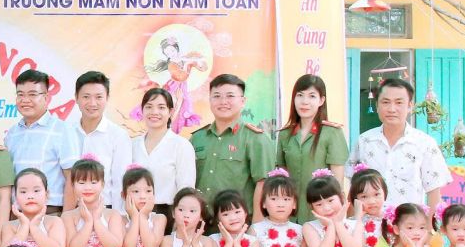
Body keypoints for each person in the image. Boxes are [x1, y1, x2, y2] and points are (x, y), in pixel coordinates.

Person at [347, 77, 450, 209]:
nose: (392, 109)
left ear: (410, 106)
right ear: (377, 106)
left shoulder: (425, 144)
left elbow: (434, 193)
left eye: (399, 102)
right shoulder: (364, 141)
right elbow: (353, 191)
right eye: (385, 102)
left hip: (409, 221)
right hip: (370, 222)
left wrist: (430, 222)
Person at [190, 74, 273, 216]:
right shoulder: (197, 138)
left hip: (238, 224)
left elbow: (263, 184)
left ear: (243, 101)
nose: (223, 102)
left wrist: (257, 224)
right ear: (209, 100)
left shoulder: (256, 139)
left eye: (230, 96)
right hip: (199, 222)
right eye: (217, 96)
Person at [277, 74, 349, 221]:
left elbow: (337, 182)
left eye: (312, 96)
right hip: (289, 215)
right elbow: (281, 177)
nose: (305, 102)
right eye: (300, 95)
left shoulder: (332, 132)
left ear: (321, 100)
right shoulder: (285, 134)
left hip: (321, 215)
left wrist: (337, 217)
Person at [4, 68, 77, 213]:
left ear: (46, 98)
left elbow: (72, 177)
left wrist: (67, 217)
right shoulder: (12, 133)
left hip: (51, 212)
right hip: (17, 214)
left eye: (32, 94)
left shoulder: (62, 130)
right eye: (20, 94)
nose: (25, 100)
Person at [59, 158, 125, 247]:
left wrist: (96, 220)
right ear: (73, 185)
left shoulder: (112, 215)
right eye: (82, 182)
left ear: (103, 184)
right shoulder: (68, 217)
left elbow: (114, 245)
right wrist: (88, 223)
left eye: (94, 182)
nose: (88, 187)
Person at [128, 87, 195, 229]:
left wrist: (180, 222)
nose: (154, 112)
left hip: (168, 216)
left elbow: (186, 187)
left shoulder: (181, 145)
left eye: (161, 107)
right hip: (134, 215)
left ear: (170, 112)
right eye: (149, 107)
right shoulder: (132, 145)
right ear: (142, 110)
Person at [66, 71, 131, 211]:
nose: (92, 103)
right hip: (72, 210)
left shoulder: (118, 136)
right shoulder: (66, 132)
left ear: (107, 98)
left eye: (99, 97)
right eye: (86, 97)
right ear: (76, 97)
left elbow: (120, 181)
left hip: (105, 210)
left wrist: (118, 216)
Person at [0, 168, 66, 247]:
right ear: (15, 196)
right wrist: (24, 226)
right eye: (23, 191)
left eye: (36, 191)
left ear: (47, 194)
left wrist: (35, 228)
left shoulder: (54, 222)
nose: (30, 196)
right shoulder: (10, 226)